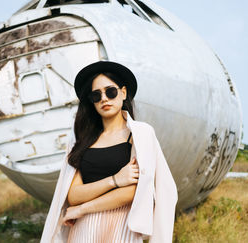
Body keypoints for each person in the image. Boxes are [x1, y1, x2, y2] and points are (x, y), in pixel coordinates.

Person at [40, 61, 178, 243]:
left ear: (123, 93)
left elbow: (134, 192)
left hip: (122, 228)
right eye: (96, 95)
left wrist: (82, 209)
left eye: (110, 92)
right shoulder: (82, 140)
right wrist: (115, 180)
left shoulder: (140, 135)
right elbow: (73, 195)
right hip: (83, 230)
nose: (104, 98)